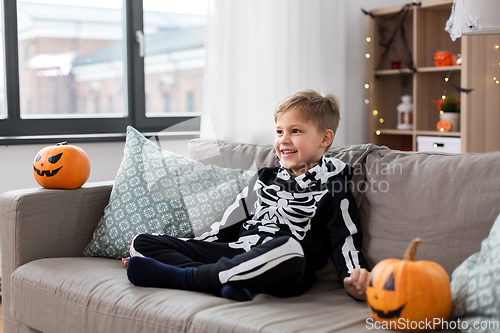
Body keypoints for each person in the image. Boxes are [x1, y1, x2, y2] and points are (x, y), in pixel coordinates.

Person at [123, 89, 369, 302]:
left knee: (289, 247)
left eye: (295, 131)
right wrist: (180, 247)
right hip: (238, 250)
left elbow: (345, 242)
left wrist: (354, 276)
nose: (284, 140)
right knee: (142, 241)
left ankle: (187, 277)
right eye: (279, 131)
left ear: (325, 138)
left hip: (285, 262)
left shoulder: (335, 189)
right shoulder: (264, 178)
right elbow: (224, 228)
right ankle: (226, 282)